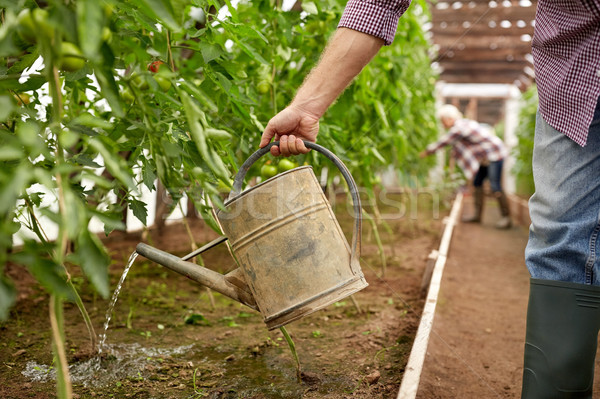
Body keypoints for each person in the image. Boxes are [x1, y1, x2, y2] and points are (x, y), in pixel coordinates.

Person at [259, 1, 600, 398]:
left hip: (495, 155)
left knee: (496, 191)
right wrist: (307, 105)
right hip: (575, 77)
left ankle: (501, 215)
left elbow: (452, 144)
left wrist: (431, 154)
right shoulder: (461, 131)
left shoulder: (462, 128)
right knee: (559, 233)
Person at [419, 104, 512, 229]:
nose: (443, 124)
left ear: (449, 119)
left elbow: (445, 141)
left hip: (494, 154)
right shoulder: (462, 125)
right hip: (484, 157)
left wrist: (428, 151)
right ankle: (477, 216)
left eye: (443, 121)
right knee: (477, 183)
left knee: (495, 185)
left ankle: (506, 218)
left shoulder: (459, 127)